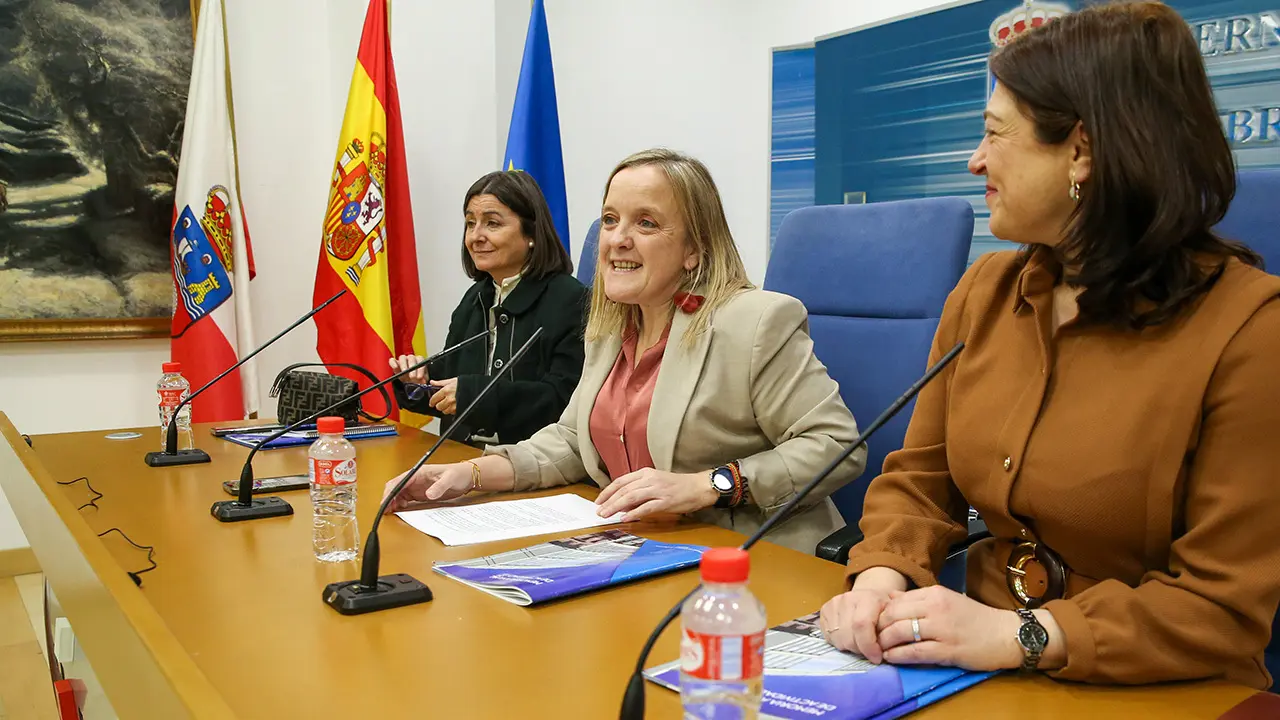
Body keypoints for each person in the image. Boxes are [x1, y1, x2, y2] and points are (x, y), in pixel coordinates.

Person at [818, 1, 1280, 690]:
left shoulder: (1252, 332)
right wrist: (880, 577)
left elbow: (1222, 604)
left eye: (995, 134)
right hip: (978, 673)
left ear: (1083, 151)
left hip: (1162, 689)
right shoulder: (984, 292)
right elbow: (920, 480)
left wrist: (1022, 635)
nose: (975, 161)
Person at [384, 148, 867, 553]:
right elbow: (572, 442)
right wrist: (466, 475)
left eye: (647, 223)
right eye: (611, 220)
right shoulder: (610, 325)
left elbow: (836, 445)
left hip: (748, 556)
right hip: (638, 547)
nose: (617, 239)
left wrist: (707, 486)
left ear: (694, 249)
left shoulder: (755, 321)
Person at [390, 170, 588, 447]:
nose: (475, 237)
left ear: (531, 233)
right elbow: (449, 387)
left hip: (533, 464)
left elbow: (563, 400)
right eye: (470, 224)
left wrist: (474, 394)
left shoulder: (570, 299)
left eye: (492, 224)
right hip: (459, 458)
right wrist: (417, 381)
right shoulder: (476, 298)